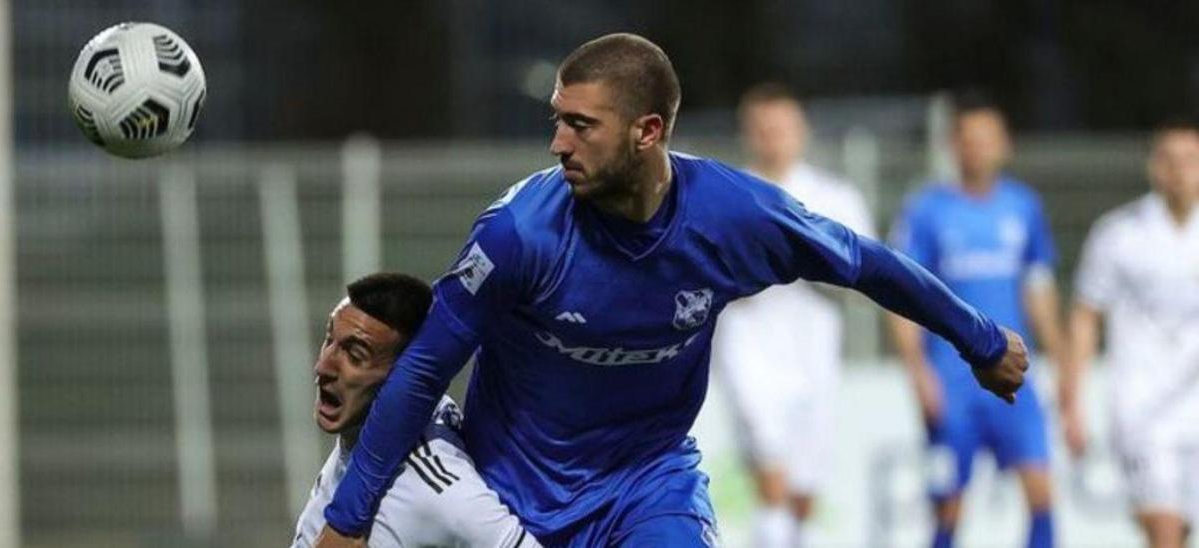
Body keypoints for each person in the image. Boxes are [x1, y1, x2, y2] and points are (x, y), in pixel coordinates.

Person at [320, 34, 1029, 548]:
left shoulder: (736, 217)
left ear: (647, 131)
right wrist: (347, 523)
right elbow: (421, 370)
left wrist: (981, 339)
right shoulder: (519, 235)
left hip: (647, 488)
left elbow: (865, 262)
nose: (557, 145)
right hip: (513, 502)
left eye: (580, 125)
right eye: (556, 122)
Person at [887, 95, 1069, 548]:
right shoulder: (927, 211)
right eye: (968, 141)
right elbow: (901, 294)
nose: (977, 150)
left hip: (1017, 374)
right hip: (953, 381)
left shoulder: (1023, 206)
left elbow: (1038, 287)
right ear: (954, 146)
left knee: (1042, 492)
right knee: (949, 504)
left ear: (1004, 145)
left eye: (986, 140)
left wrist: (1062, 360)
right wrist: (917, 371)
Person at [710, 83, 875, 547]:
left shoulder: (835, 197)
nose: (772, 137)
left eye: (781, 127)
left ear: (801, 130)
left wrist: (814, 265)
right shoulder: (727, 194)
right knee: (772, 482)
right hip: (748, 346)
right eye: (762, 129)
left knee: (802, 493)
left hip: (814, 349)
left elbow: (865, 276)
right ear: (748, 133)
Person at [292, 272, 540, 548]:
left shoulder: (440, 492)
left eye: (355, 355)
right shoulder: (360, 431)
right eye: (329, 341)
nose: (323, 367)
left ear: (403, 377)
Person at [1065, 119, 1199, 548]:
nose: (1179, 170)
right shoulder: (1119, 234)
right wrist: (1072, 401)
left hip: (1194, 403)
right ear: (1153, 167)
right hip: (1141, 408)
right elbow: (1086, 316)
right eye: (1169, 159)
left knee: (1179, 531)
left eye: (1190, 159)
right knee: (1163, 529)